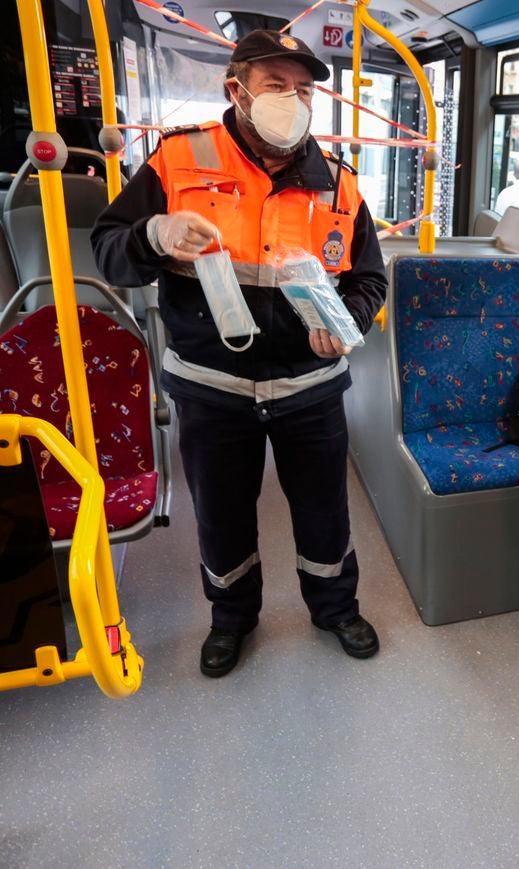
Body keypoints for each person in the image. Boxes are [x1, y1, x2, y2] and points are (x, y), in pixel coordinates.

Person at [91, 31, 386, 678]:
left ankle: (335, 607)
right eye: (277, 85)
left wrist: (350, 322)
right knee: (222, 519)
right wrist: (154, 232)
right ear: (238, 89)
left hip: (311, 387)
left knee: (325, 514)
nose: (293, 99)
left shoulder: (338, 183)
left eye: (304, 89)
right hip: (209, 386)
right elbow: (107, 250)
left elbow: (368, 280)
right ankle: (232, 620)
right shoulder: (178, 159)